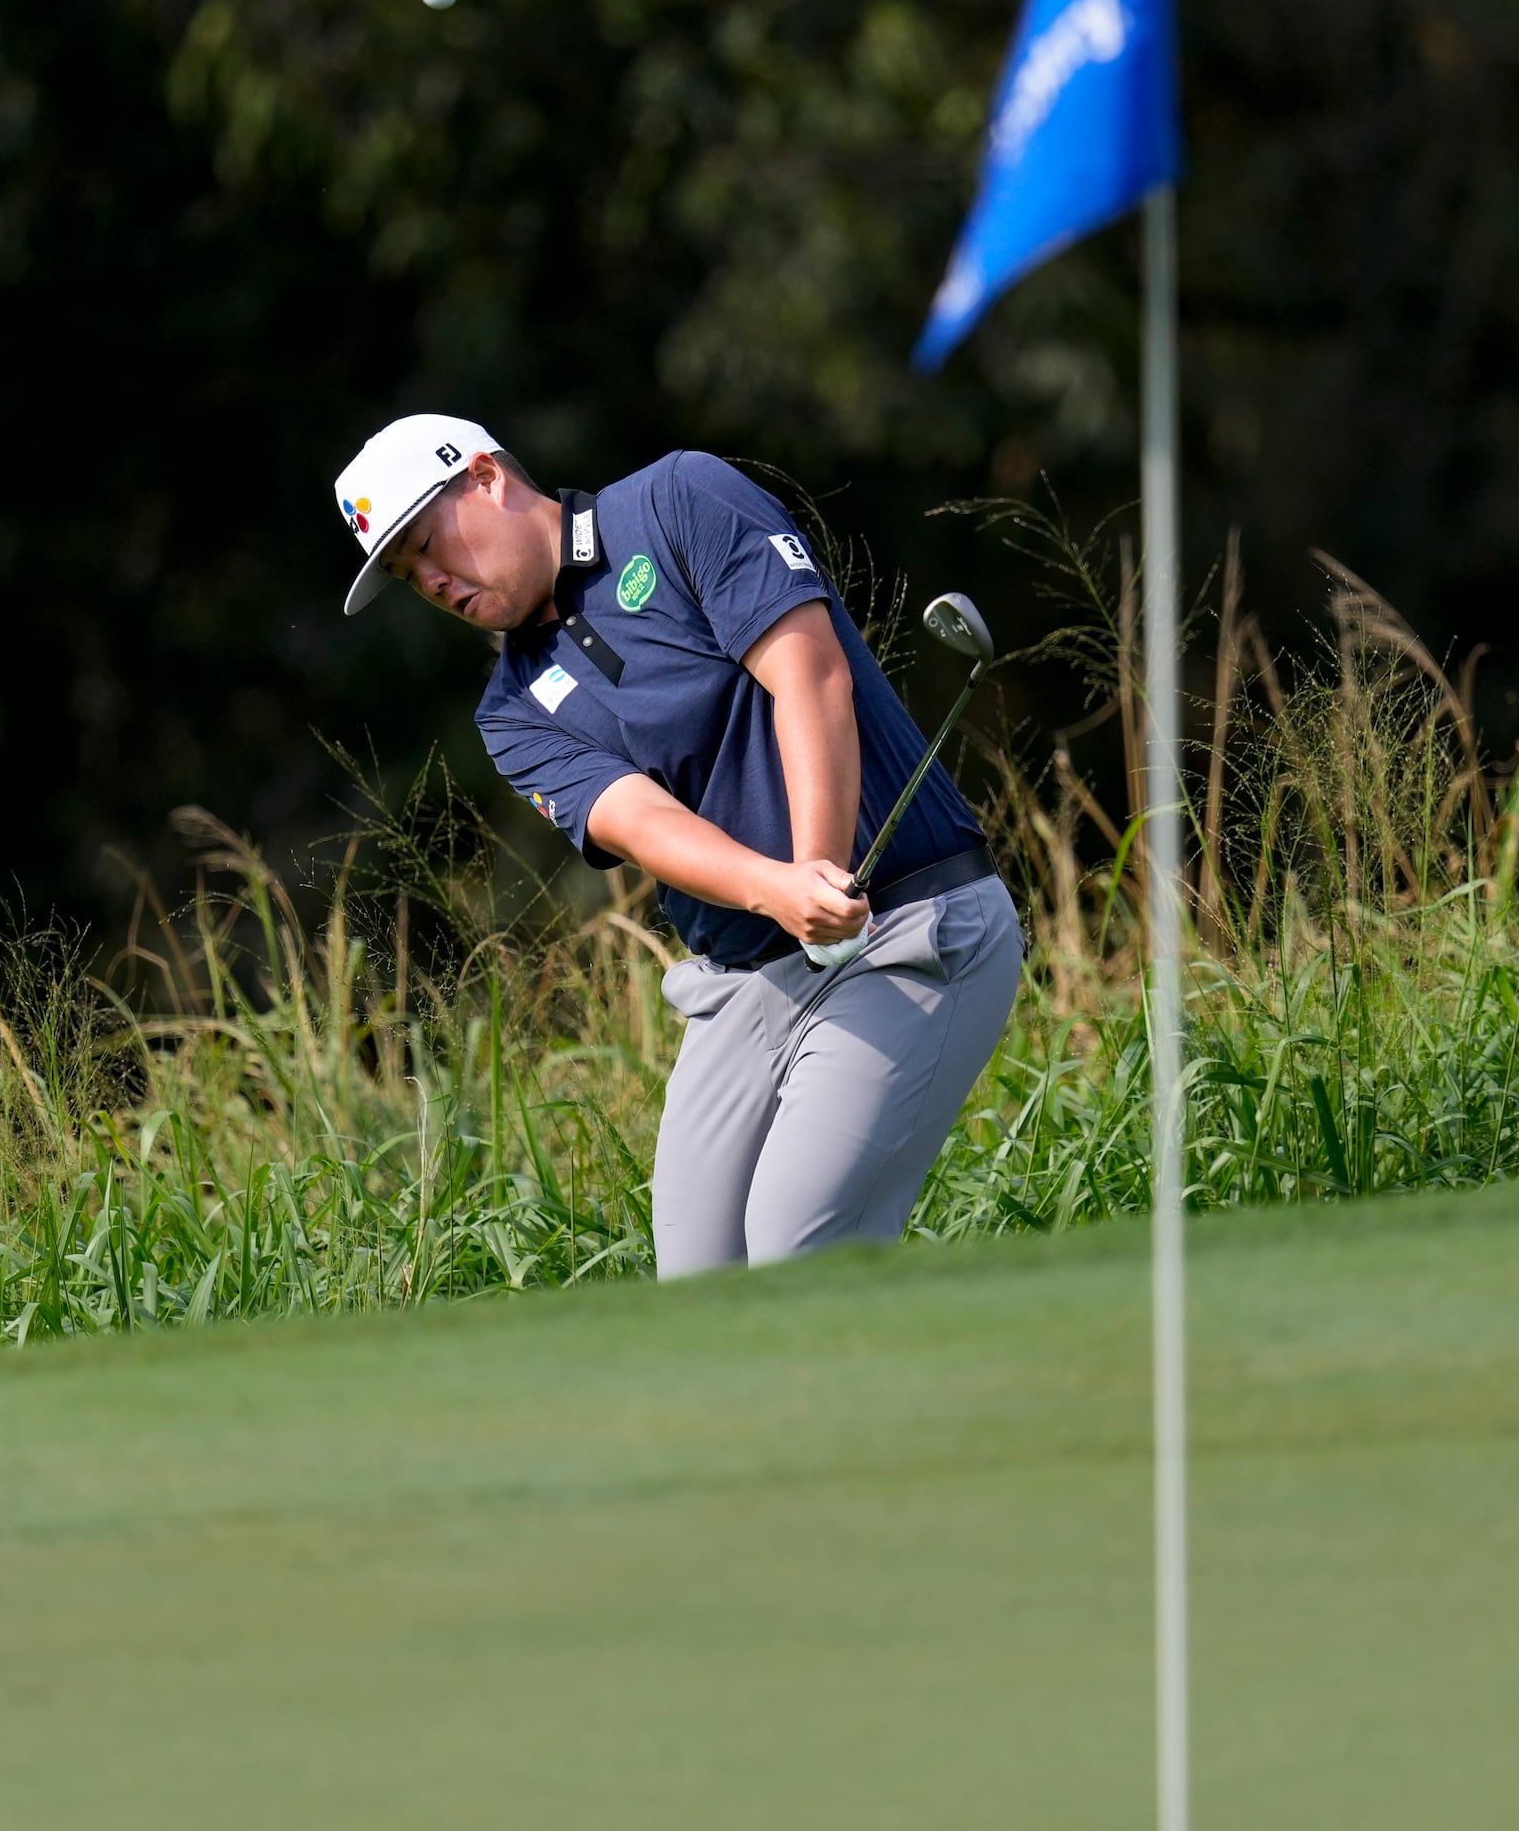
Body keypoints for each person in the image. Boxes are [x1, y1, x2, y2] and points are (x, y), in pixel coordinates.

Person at [334, 413, 1023, 1277]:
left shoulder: (675, 502)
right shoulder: (509, 711)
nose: (433, 581)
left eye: (429, 543)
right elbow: (640, 822)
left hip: (910, 926)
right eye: (409, 575)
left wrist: (813, 870)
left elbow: (808, 674)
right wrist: (779, 890)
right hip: (745, 987)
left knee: (796, 1242)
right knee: (697, 1283)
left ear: (483, 478)